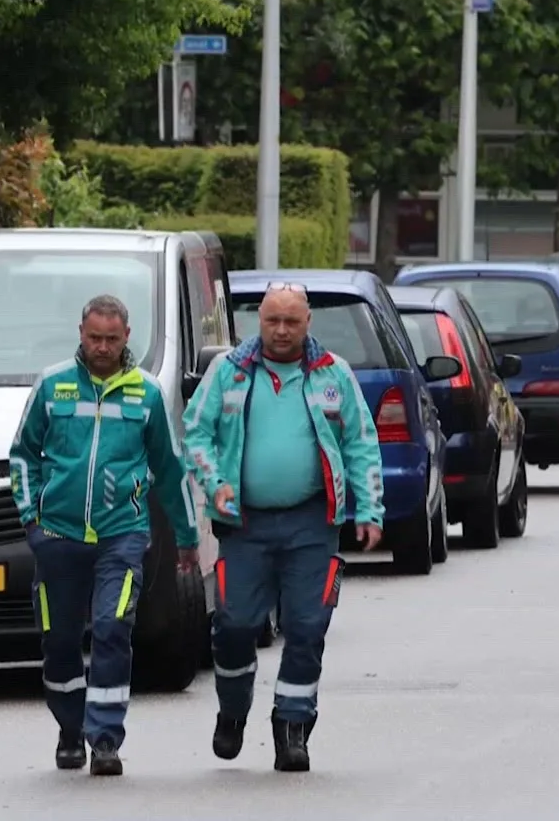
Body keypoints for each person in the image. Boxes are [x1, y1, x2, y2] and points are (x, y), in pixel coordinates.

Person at [181, 282, 385, 772]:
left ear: (307, 323)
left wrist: (370, 510)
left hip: (312, 524)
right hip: (243, 525)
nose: (281, 330)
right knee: (234, 626)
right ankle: (233, 710)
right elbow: (195, 431)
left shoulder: (332, 374)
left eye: (291, 321)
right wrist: (215, 482)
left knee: (308, 626)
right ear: (259, 321)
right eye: (272, 320)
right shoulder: (227, 371)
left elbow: (360, 441)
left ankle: (292, 726)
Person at [7, 295, 201, 776]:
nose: (102, 347)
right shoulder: (52, 387)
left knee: (114, 630)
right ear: (80, 332)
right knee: (59, 640)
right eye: (94, 337)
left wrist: (187, 536)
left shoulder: (146, 393)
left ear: (126, 338)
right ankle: (70, 729)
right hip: (57, 536)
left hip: (123, 535)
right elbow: (22, 456)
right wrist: (32, 519)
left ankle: (106, 738)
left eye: (112, 339)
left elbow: (170, 469)